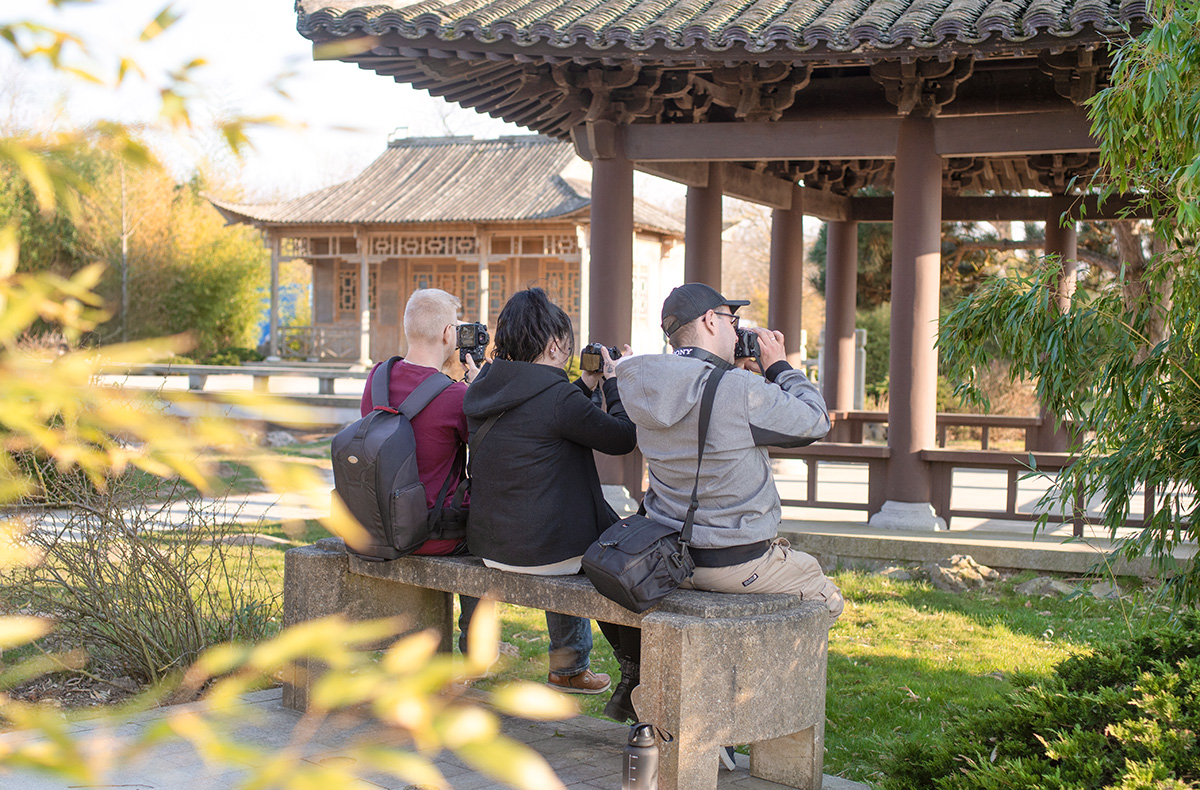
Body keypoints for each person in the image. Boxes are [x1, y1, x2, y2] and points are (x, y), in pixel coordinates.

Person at [614, 283, 844, 620]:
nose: (737, 334)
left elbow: (697, 396)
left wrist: (726, 372)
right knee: (826, 593)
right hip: (736, 563)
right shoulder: (739, 390)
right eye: (731, 322)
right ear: (710, 320)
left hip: (666, 559)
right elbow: (816, 421)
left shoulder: (644, 384)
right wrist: (780, 367)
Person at [463, 287, 642, 719]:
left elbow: (537, 415)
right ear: (552, 344)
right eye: (564, 342)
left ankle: (598, 669)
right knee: (632, 559)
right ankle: (634, 674)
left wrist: (585, 387)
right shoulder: (557, 398)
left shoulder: (483, 387)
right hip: (546, 552)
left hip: (493, 548)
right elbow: (622, 437)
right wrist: (614, 383)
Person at [359, 288, 480, 651]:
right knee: (488, 529)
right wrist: (479, 390)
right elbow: (485, 453)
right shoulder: (455, 396)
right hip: (433, 537)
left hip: (377, 526)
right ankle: (475, 645)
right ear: (448, 335)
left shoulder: (377, 378)